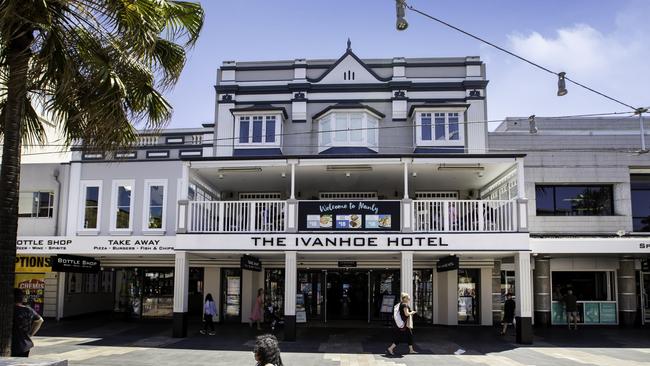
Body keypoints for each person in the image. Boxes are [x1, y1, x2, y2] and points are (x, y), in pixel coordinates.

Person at [12, 288, 44, 357]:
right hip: (25, 344)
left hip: (13, 345)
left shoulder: (10, 310)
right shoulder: (28, 309)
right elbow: (40, 320)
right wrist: (30, 334)